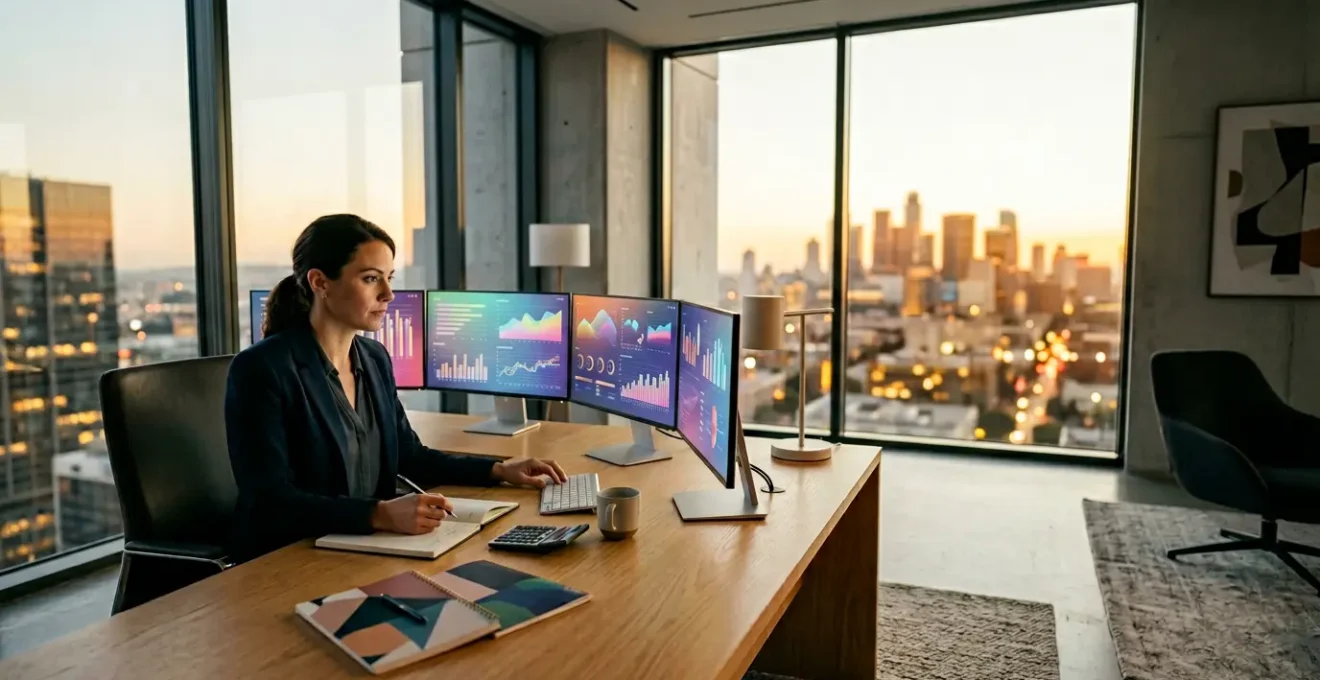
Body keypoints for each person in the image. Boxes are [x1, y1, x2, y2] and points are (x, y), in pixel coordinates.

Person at [225, 214, 566, 561]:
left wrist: (498, 469)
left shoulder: (373, 359)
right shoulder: (262, 368)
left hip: (368, 549)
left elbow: (409, 455)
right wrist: (379, 514)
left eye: (389, 279)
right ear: (320, 282)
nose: (388, 294)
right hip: (290, 557)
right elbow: (270, 501)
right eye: (371, 279)